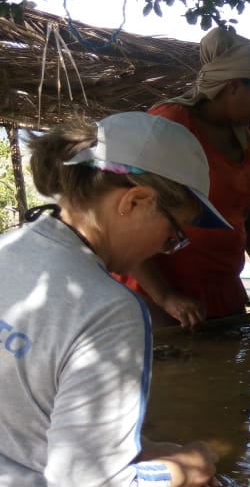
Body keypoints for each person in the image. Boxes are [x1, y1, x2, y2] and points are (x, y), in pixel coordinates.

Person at [0, 112, 222, 486]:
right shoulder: (109, 309)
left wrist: (132, 444)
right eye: (173, 233)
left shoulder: (8, 249)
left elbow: (30, 411)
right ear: (135, 201)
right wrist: (188, 470)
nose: (167, 248)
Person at [117, 28, 250, 327]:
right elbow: (126, 217)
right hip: (156, 301)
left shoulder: (248, 137)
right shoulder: (168, 125)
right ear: (233, 86)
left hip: (222, 294)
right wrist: (166, 296)